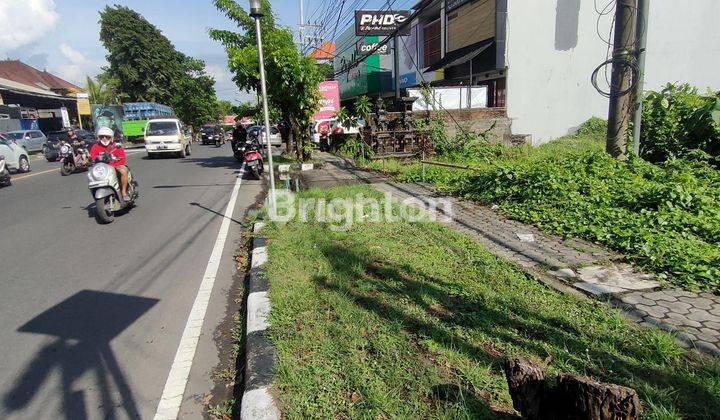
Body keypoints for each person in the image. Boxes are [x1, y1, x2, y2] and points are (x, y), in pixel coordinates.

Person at [89, 126, 129, 201]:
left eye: (107, 137)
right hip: (103, 168)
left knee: (123, 171)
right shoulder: (95, 147)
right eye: (102, 137)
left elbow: (122, 158)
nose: (104, 138)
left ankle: (124, 193)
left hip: (116, 166)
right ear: (99, 137)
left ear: (111, 138)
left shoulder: (116, 146)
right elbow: (92, 157)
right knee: (90, 175)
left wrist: (115, 165)